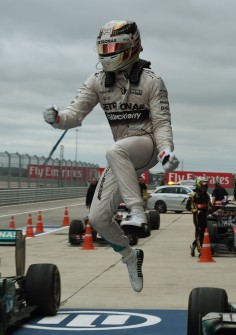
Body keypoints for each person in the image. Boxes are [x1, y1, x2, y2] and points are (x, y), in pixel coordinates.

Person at [43, 20, 179, 292]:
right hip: (122, 156)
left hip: (148, 144)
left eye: (114, 46)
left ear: (130, 48)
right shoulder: (96, 81)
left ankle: (137, 213)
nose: (108, 52)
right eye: (104, 47)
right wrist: (57, 119)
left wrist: (166, 149)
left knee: (114, 150)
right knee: (98, 219)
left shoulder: (152, 81)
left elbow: (162, 121)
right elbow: (75, 113)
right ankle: (130, 256)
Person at [189, 177, 211, 257]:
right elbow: (189, 206)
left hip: (204, 216)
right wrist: (195, 209)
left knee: (204, 233)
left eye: (206, 186)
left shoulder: (207, 196)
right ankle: (200, 250)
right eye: (203, 186)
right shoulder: (194, 195)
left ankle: (193, 245)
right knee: (199, 232)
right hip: (197, 216)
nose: (205, 187)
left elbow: (210, 206)